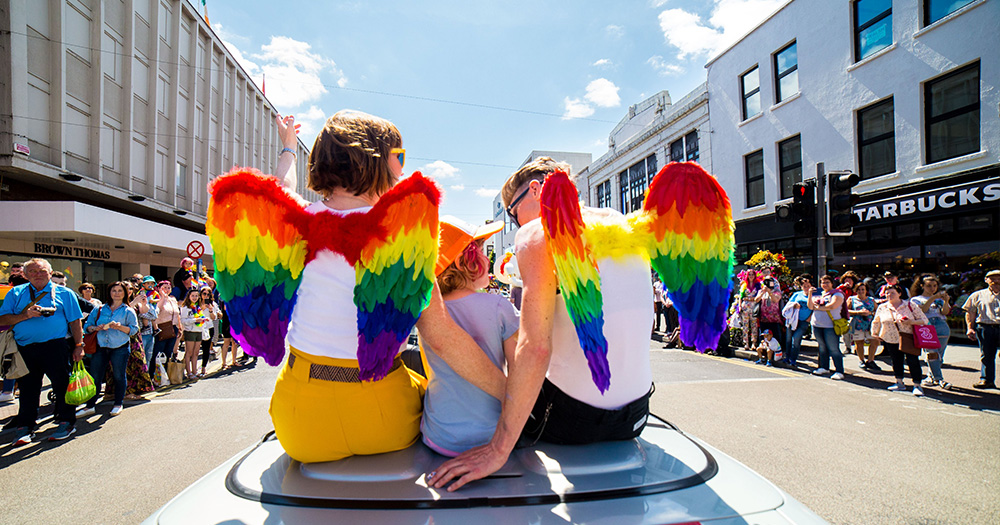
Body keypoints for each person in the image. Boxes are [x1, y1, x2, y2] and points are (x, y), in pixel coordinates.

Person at [210, 112, 505, 464]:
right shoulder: (400, 239)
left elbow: (281, 189)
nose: (401, 168)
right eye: (399, 156)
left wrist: (289, 148)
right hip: (383, 420)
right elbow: (441, 336)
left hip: (301, 426)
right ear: (376, 161)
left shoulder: (291, 225)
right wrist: (515, 396)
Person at [428, 157, 656, 491]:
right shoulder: (620, 223)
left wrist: (498, 449)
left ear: (536, 190)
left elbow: (535, 348)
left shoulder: (536, 231)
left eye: (512, 211)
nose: (515, 221)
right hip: (637, 415)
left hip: (572, 421)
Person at [420, 217, 514, 457]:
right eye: (481, 250)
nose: (487, 257)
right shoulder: (498, 305)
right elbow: (520, 373)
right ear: (465, 262)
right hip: (494, 436)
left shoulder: (426, 313)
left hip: (439, 437)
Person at [0, 258, 84, 444]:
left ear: (50, 272)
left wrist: (79, 346)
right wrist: (26, 315)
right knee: (28, 389)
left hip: (55, 347)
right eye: (32, 272)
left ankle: (66, 422)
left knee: (62, 386)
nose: (37, 275)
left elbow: (75, 321)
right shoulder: (16, 293)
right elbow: (3, 319)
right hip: (24, 348)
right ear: (25, 274)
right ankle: (25, 427)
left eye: (42, 271)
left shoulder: (64, 293)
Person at [78, 281, 139, 417]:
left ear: (125, 293)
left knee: (118, 375)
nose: (116, 294)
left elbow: (134, 330)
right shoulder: (99, 308)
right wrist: (95, 328)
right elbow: (87, 325)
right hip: (100, 346)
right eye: (114, 291)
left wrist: (119, 327)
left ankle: (118, 403)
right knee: (95, 377)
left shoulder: (127, 310)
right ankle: (90, 405)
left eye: (119, 291)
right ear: (109, 293)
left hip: (119, 347)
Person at [872, 284, 929, 396]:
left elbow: (924, 320)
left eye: (892, 292)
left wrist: (910, 322)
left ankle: (917, 385)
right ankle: (899, 382)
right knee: (896, 361)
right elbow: (876, 320)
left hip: (908, 337)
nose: (889, 295)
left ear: (899, 293)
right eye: (887, 293)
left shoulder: (909, 305)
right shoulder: (882, 307)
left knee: (913, 361)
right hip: (890, 337)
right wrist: (875, 333)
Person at [910, 274, 952, 389]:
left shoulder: (939, 299)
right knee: (931, 353)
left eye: (934, 286)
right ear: (922, 286)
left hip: (941, 325)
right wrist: (933, 298)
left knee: (939, 355)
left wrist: (945, 301)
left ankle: (931, 377)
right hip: (926, 326)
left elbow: (945, 312)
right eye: (929, 286)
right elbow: (923, 310)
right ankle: (939, 379)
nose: (932, 288)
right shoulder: (916, 299)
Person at [963, 269, 1000, 389]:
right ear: (986, 280)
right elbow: (970, 312)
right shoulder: (978, 295)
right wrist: (970, 328)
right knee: (986, 355)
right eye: (992, 278)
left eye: (998, 278)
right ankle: (986, 380)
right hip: (985, 327)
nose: (996, 281)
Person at [805, 275, 846, 380]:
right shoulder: (819, 294)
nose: (825, 284)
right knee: (822, 347)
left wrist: (818, 307)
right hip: (817, 325)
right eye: (823, 282)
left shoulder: (837, 294)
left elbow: (832, 306)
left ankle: (839, 371)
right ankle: (823, 367)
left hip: (830, 326)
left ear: (832, 283)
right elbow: (810, 306)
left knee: (833, 348)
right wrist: (810, 294)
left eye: (827, 282)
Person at [150, 280, 181, 375]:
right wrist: (163, 297)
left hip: (173, 328)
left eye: (168, 288)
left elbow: (177, 314)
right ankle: (154, 375)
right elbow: (157, 311)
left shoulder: (173, 299)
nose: (167, 290)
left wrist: (180, 327)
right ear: (159, 289)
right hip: (162, 328)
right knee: (158, 353)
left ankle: (166, 374)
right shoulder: (156, 299)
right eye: (164, 288)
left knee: (169, 352)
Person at [848, 281, 880, 371]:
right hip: (857, 324)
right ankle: (861, 360)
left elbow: (878, 310)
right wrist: (858, 312)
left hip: (870, 324)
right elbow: (846, 311)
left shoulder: (871, 300)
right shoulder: (852, 299)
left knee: (874, 341)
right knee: (859, 343)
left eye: (863, 289)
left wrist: (870, 313)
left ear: (866, 290)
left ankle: (870, 360)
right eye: (858, 290)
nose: (861, 291)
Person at [782, 274, 813, 368]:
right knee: (788, 339)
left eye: (808, 286)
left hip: (804, 321)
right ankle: (787, 357)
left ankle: (793, 359)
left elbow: (815, 308)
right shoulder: (797, 294)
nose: (806, 288)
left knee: (796, 339)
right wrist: (794, 305)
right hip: (793, 320)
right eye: (804, 286)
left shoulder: (813, 296)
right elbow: (789, 304)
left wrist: (809, 318)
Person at [179, 288, 208, 380]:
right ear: (189, 297)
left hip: (198, 331)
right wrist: (195, 320)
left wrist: (203, 319)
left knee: (196, 353)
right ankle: (189, 372)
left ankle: (195, 371)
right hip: (190, 331)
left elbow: (200, 317)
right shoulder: (185, 307)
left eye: (196, 296)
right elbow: (183, 320)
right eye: (193, 296)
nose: (194, 298)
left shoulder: (198, 307)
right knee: (189, 352)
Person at [756, 271, 783, 356]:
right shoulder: (762, 291)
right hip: (763, 318)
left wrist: (770, 292)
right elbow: (756, 300)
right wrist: (763, 292)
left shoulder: (776, 292)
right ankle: (764, 354)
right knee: (764, 338)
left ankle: (776, 354)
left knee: (776, 337)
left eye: (770, 282)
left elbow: (776, 300)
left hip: (774, 318)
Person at [197, 286, 219, 377]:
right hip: (198, 328)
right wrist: (201, 309)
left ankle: (203, 367)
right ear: (201, 294)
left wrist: (210, 310)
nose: (206, 296)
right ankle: (192, 370)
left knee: (206, 349)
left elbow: (214, 318)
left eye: (208, 294)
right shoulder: (196, 303)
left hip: (209, 327)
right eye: (204, 294)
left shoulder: (212, 304)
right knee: (195, 349)